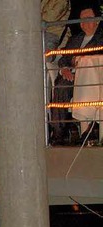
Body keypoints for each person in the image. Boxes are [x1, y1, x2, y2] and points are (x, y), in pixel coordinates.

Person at [51, 7, 103, 145]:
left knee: (86, 86)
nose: (83, 23)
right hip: (72, 76)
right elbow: (63, 59)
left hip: (93, 78)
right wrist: (64, 69)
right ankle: (58, 134)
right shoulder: (75, 39)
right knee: (61, 86)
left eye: (87, 19)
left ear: (97, 21)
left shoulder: (101, 38)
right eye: (81, 20)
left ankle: (89, 129)